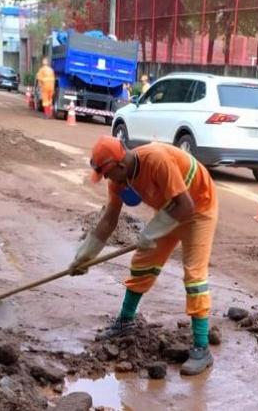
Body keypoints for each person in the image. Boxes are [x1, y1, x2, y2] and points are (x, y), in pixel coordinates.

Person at [72, 136, 218, 376]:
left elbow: (186, 206)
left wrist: (151, 232)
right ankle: (124, 321)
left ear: (120, 165)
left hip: (199, 208)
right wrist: (84, 256)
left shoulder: (156, 160)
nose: (108, 180)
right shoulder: (119, 179)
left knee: (194, 275)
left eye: (108, 175)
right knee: (143, 263)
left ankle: (201, 348)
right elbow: (109, 219)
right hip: (172, 209)